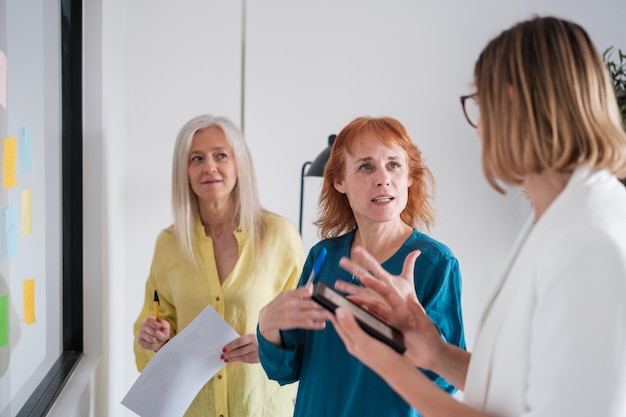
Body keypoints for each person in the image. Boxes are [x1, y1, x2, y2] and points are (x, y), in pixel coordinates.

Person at [328, 16, 626, 417]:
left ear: (514, 103)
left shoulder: (589, 242)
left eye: (481, 105)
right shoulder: (555, 220)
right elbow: (518, 387)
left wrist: (388, 366)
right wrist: (434, 352)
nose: (479, 128)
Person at [257, 116, 466, 417]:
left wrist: (407, 333)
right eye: (366, 166)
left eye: (394, 164)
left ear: (409, 176)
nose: (383, 178)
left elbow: (446, 382)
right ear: (339, 181)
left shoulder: (435, 264)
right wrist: (268, 325)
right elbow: (286, 368)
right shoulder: (322, 257)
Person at [133, 114, 305, 417]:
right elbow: (155, 321)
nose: (209, 167)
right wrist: (154, 338)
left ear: (239, 165)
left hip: (260, 408)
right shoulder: (169, 244)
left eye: (220, 155)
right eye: (196, 158)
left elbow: (309, 330)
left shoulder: (281, 237)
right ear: (184, 172)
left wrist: (270, 349)